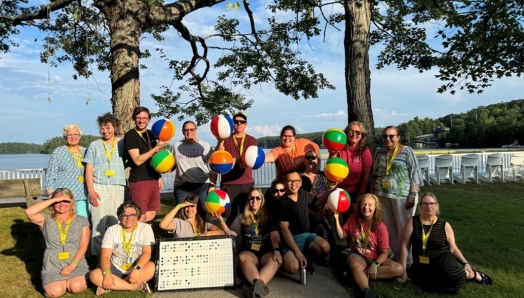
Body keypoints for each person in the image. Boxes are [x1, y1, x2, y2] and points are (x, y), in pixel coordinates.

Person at [398, 193, 493, 294]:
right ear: (420, 206)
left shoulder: (444, 225)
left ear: (437, 206)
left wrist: (466, 263)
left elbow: (453, 248)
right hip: (422, 263)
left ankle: (471, 274)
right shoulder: (412, 222)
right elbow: (404, 246)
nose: (429, 206)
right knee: (425, 285)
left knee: (450, 278)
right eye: (425, 203)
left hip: (443, 260)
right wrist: (403, 270)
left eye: (432, 203)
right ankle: (459, 276)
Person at [213, 187, 282, 298]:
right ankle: (257, 287)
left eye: (257, 198)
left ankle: (253, 287)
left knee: (276, 260)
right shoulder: (242, 216)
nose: (254, 200)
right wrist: (221, 221)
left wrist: (277, 250)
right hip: (249, 252)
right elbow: (231, 234)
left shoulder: (269, 215)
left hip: (265, 252)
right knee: (243, 258)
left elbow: (274, 236)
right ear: (248, 200)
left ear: (262, 199)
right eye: (251, 198)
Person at [333, 194, 402, 298]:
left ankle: (356, 275)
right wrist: (336, 219)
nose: (366, 207)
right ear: (359, 205)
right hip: (358, 255)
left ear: (375, 207)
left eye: (370, 205)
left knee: (399, 268)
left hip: (375, 258)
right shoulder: (353, 218)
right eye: (364, 204)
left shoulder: (381, 226)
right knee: (354, 264)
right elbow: (341, 235)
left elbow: (385, 253)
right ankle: (366, 291)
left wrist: (375, 265)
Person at [25, 188, 89, 297]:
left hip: (75, 263)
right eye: (58, 201)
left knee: (76, 287)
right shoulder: (46, 219)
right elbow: (29, 212)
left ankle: (75, 279)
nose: (61, 204)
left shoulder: (82, 220)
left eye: (66, 201)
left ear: (72, 201)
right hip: (52, 265)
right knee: (55, 292)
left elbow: (83, 245)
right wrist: (53, 199)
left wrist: (72, 266)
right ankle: (59, 283)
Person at [371, 125, 422, 260]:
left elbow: (415, 172)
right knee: (389, 227)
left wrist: (413, 194)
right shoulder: (379, 153)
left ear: (398, 137)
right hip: (381, 195)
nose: (388, 138)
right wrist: (371, 195)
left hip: (402, 196)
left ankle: (408, 259)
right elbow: (374, 175)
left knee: (404, 227)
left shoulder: (407, 151)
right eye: (385, 136)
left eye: (391, 136)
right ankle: (397, 254)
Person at [89, 202, 155, 295]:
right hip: (115, 267)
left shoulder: (146, 228)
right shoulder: (111, 230)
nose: (128, 218)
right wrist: (107, 274)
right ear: (120, 217)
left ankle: (115, 285)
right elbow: (105, 256)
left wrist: (137, 269)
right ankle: (133, 286)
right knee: (94, 275)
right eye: (125, 215)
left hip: (137, 267)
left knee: (151, 267)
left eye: (132, 215)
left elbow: (147, 253)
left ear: (138, 216)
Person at [84, 112, 126, 257]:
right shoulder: (94, 145)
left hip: (118, 187)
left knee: (116, 223)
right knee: (98, 225)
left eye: (108, 127)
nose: (105, 131)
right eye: (102, 128)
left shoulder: (122, 143)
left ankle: (115, 257)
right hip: (99, 187)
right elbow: (88, 169)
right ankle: (97, 259)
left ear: (114, 127)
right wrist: (91, 190)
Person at [279, 170, 334, 275]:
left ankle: (306, 255)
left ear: (300, 182)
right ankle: (287, 258)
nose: (293, 184)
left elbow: (319, 202)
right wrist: (297, 252)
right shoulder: (283, 202)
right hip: (291, 239)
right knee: (293, 268)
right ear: (285, 183)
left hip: (307, 236)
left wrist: (328, 189)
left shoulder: (303, 193)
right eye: (290, 181)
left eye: (296, 181)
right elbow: (284, 229)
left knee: (325, 247)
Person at [124, 106, 167, 223]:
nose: (141, 120)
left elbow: (154, 158)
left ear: (148, 120)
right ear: (134, 119)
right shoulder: (130, 135)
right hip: (139, 180)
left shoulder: (151, 134)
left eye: (144, 118)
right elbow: (137, 160)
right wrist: (157, 147)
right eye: (138, 118)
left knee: (151, 213)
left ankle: (147, 240)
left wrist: (158, 176)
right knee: (140, 216)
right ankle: (135, 240)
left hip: (153, 178)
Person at [214, 111, 257, 223]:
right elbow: (218, 155)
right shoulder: (225, 138)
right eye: (236, 121)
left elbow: (249, 156)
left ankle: (246, 238)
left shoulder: (251, 140)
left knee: (247, 214)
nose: (239, 124)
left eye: (242, 122)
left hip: (246, 182)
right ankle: (229, 238)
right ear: (233, 123)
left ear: (246, 124)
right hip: (228, 183)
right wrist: (220, 141)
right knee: (229, 215)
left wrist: (234, 160)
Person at [329, 121, 372, 219]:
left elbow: (366, 175)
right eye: (351, 131)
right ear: (347, 132)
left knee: (355, 217)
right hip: (340, 190)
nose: (354, 135)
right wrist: (331, 154)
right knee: (342, 219)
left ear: (362, 135)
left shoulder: (365, 151)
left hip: (356, 191)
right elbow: (330, 166)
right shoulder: (339, 147)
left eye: (358, 132)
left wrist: (360, 194)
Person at [171, 120, 215, 215]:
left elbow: (214, 167)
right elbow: (171, 165)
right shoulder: (176, 146)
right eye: (186, 130)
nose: (189, 132)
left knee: (202, 212)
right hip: (182, 186)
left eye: (191, 129)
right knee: (182, 214)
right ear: (183, 131)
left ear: (196, 131)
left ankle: (201, 230)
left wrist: (212, 185)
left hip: (202, 185)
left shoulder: (205, 145)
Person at [45, 123, 90, 218]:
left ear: (80, 136)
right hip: (63, 197)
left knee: (82, 222)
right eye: (69, 135)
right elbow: (50, 175)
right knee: (64, 222)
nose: (73, 137)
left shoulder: (86, 151)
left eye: (75, 134)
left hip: (83, 196)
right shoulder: (58, 152)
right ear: (65, 136)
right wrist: (51, 195)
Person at [300, 150, 333, 255]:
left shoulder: (325, 177)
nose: (310, 160)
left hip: (324, 209)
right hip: (305, 210)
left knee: (323, 220)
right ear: (304, 161)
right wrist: (311, 213)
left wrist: (325, 208)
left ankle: (325, 251)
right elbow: (297, 199)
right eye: (308, 157)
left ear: (318, 161)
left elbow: (330, 194)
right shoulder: (298, 178)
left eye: (313, 158)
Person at [159, 194, 224, 237]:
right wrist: (178, 206)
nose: (189, 209)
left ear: (198, 208)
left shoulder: (204, 222)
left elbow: (221, 232)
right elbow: (163, 225)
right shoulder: (178, 222)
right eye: (186, 206)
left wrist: (207, 234)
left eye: (192, 206)